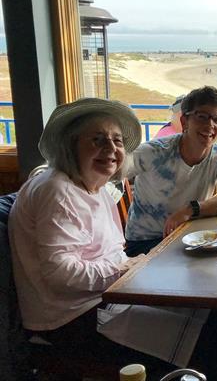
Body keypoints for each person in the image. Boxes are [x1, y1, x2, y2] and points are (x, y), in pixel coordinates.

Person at [7, 98, 183, 375]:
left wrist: (134, 272)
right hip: (67, 319)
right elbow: (60, 274)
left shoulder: (95, 187)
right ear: (70, 145)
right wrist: (124, 271)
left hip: (104, 300)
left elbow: (112, 252)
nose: (111, 149)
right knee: (190, 340)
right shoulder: (57, 190)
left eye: (117, 140)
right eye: (98, 140)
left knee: (192, 314)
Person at [125, 86, 217, 257]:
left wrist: (191, 209)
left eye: (216, 119)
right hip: (145, 243)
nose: (210, 125)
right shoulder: (153, 152)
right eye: (202, 117)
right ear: (184, 121)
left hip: (189, 238)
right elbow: (111, 170)